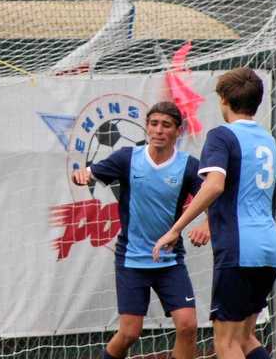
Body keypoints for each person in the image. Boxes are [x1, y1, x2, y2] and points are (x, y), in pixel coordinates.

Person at [153, 68, 276, 359]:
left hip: (239, 249)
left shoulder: (221, 136)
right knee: (247, 337)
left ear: (223, 100)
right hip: (269, 248)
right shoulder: (269, 142)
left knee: (226, 343)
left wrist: (175, 229)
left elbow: (214, 185)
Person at [71, 101, 210, 359]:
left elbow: (213, 198)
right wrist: (81, 175)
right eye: (154, 124)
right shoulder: (127, 158)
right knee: (129, 334)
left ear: (177, 131)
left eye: (166, 125)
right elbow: (87, 172)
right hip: (132, 260)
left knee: (188, 326)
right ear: (146, 127)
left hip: (169, 260)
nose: (159, 130)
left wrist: (206, 225)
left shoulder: (188, 166)